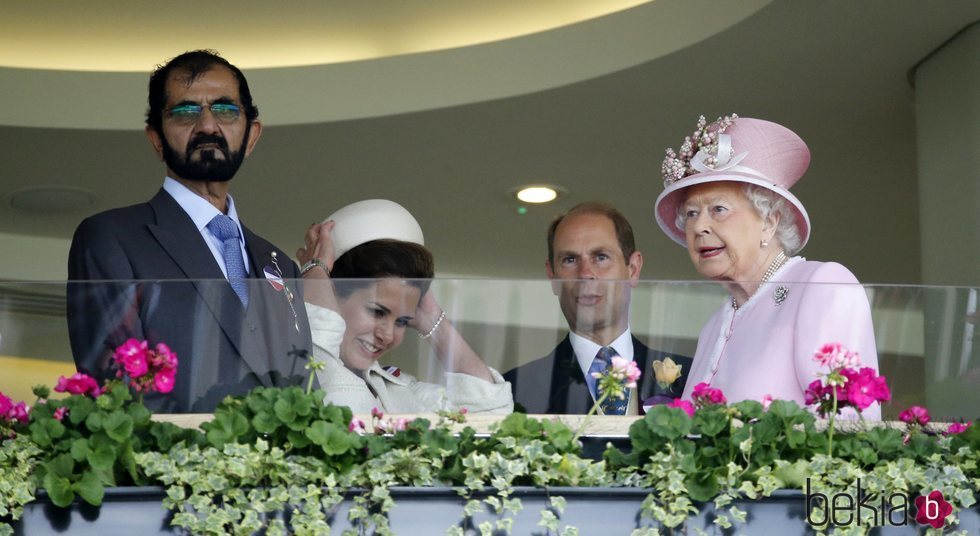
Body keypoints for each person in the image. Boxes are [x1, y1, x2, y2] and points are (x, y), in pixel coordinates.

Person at [67, 50, 312, 413]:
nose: (208, 126)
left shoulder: (280, 264)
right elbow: (117, 392)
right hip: (174, 465)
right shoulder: (111, 238)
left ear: (252, 135)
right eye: (185, 112)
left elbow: (305, 389)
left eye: (226, 110)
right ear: (156, 138)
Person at [654, 114, 881, 418]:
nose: (700, 226)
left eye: (718, 209)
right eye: (692, 213)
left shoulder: (821, 285)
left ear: (768, 223)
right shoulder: (715, 324)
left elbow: (847, 426)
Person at [297, 199, 513, 414]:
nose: (388, 335)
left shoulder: (399, 392)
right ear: (331, 294)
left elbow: (491, 410)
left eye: (402, 321)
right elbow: (340, 400)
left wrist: (430, 316)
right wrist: (316, 274)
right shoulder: (284, 374)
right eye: (377, 311)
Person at [504, 202, 692, 414]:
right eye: (569, 259)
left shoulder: (693, 378)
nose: (585, 273)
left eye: (601, 257)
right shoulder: (512, 391)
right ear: (553, 277)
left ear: (633, 269)